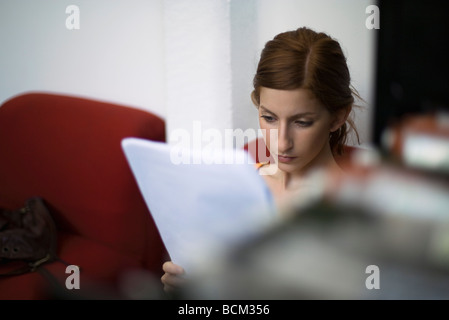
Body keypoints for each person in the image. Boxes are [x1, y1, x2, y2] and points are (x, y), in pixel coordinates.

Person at [161, 26, 361, 294]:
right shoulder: (236, 185)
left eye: (302, 122)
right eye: (269, 118)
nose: (281, 143)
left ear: (337, 117)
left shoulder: (358, 208)